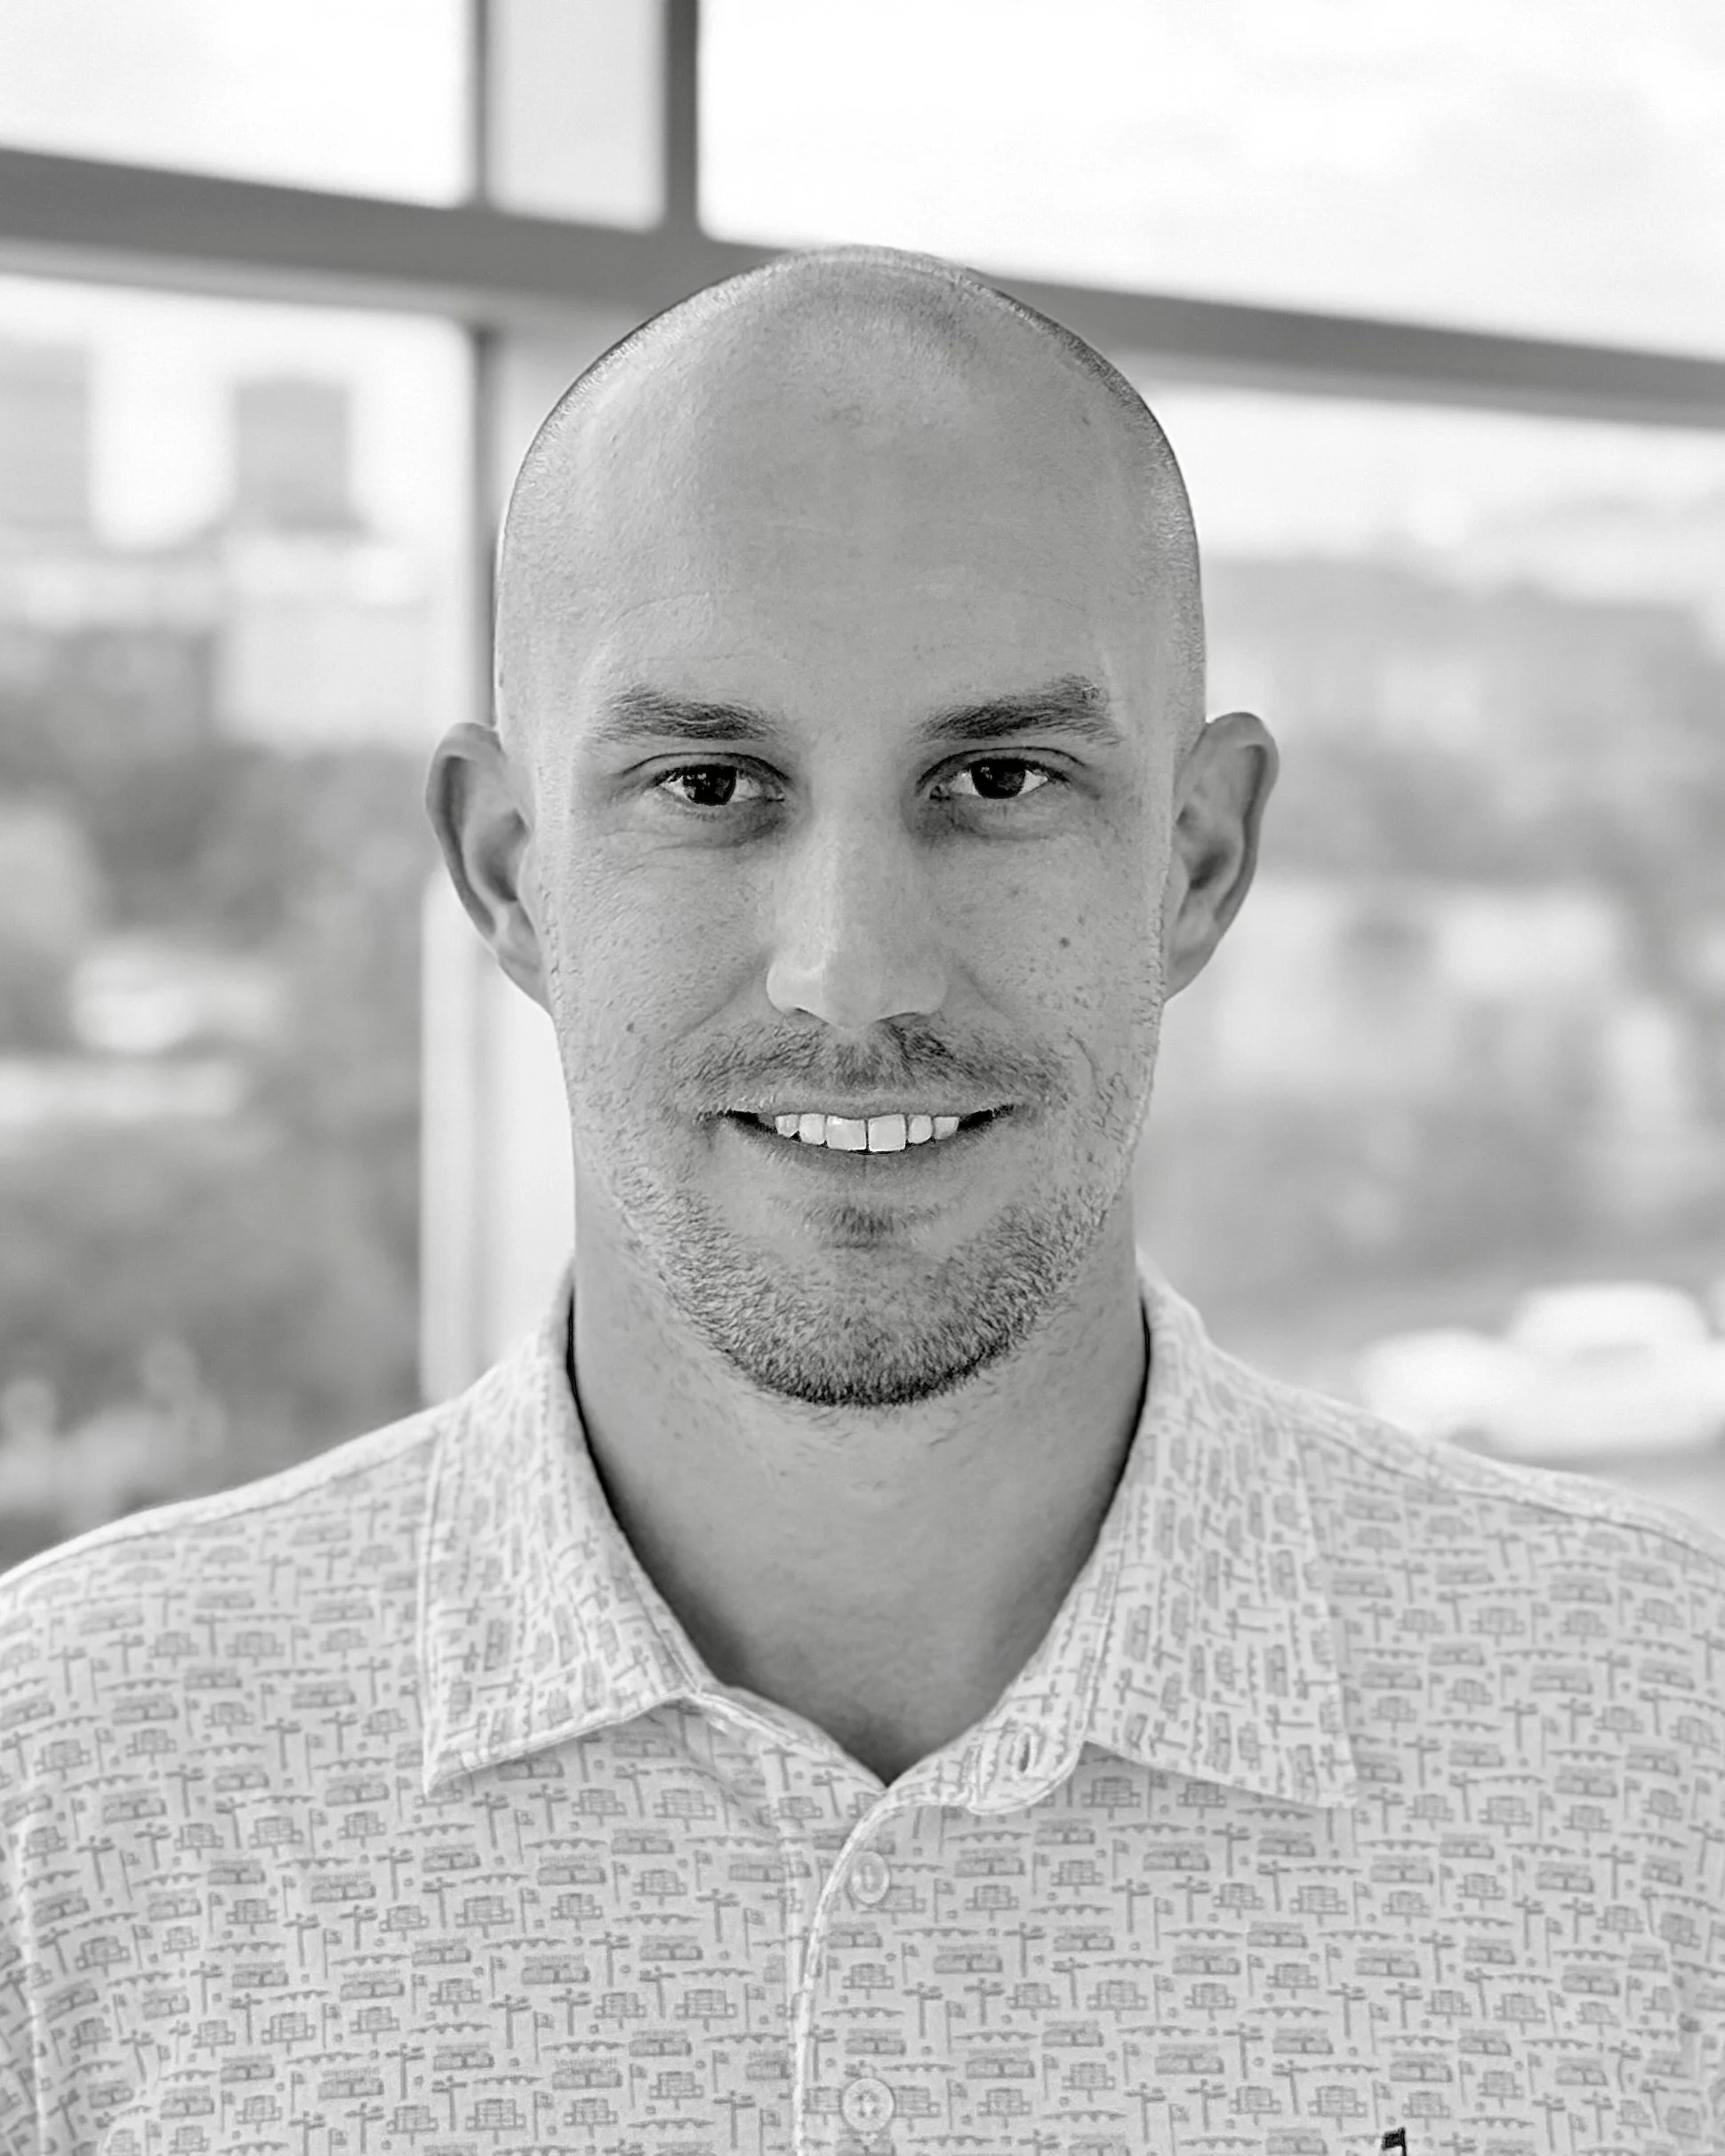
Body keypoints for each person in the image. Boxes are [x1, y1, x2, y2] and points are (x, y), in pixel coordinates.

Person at [2, 245, 1721, 2154]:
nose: (852, 976)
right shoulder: (59, 1794)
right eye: (712, 783)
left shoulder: (1676, 1755)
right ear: (506, 873)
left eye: (996, 777)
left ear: (1201, 857)